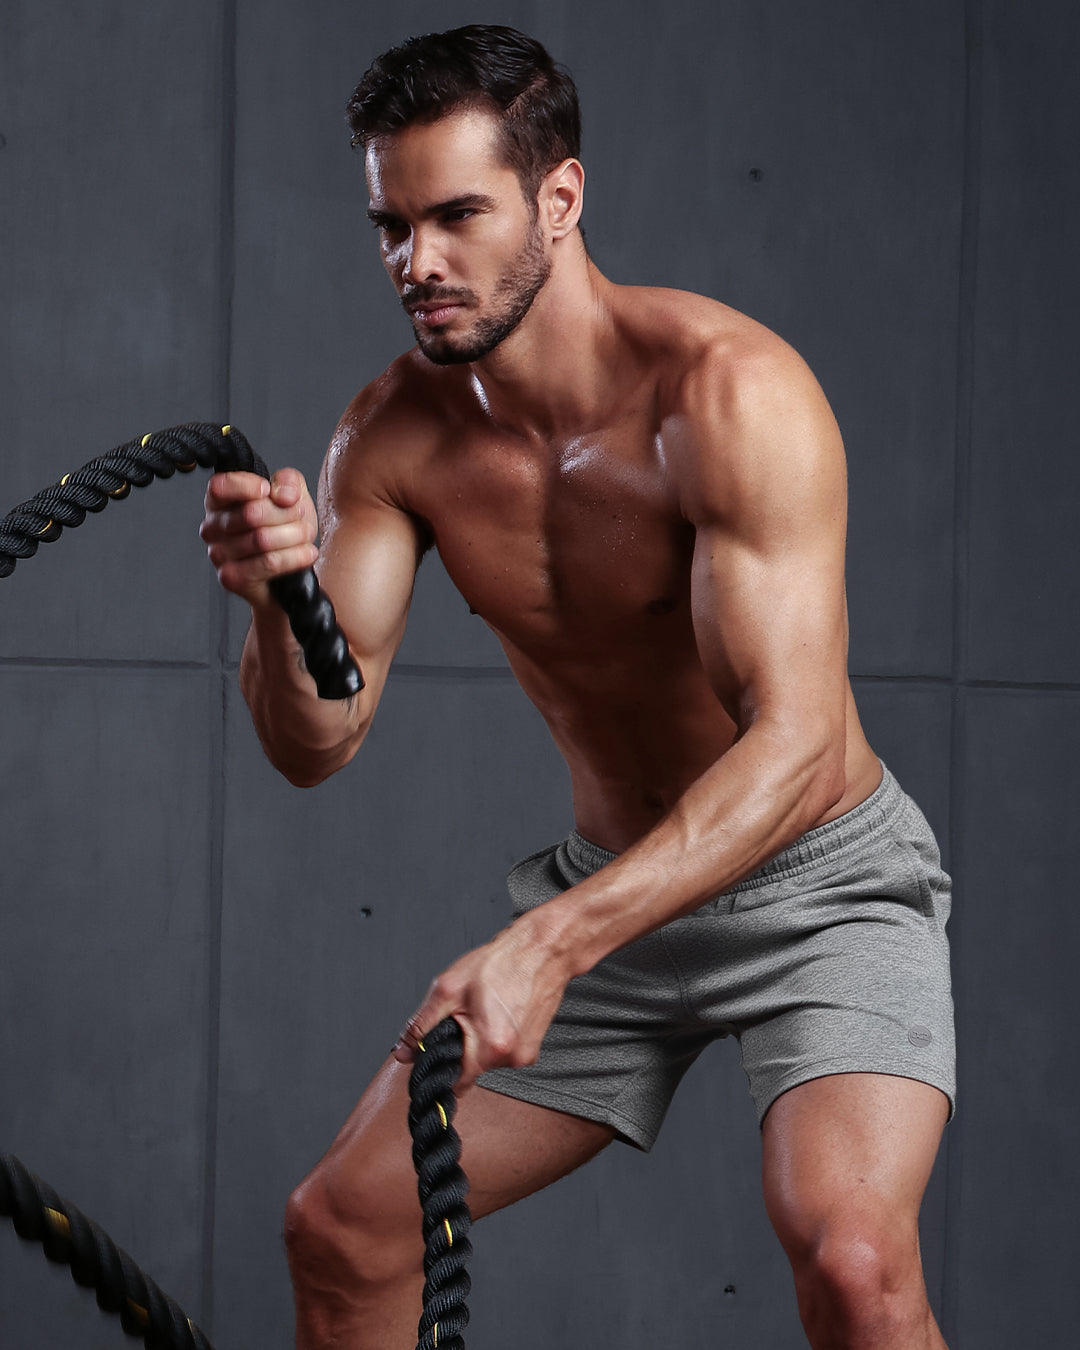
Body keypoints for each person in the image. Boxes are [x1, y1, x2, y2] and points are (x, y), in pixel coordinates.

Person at [200, 24, 955, 1350]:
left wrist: (548, 940)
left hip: (814, 878)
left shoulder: (730, 395)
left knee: (852, 1261)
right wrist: (278, 603)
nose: (415, 262)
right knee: (341, 1228)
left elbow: (794, 740)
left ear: (560, 196)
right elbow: (316, 741)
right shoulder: (393, 435)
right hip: (622, 890)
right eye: (390, 223)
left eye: (456, 217)